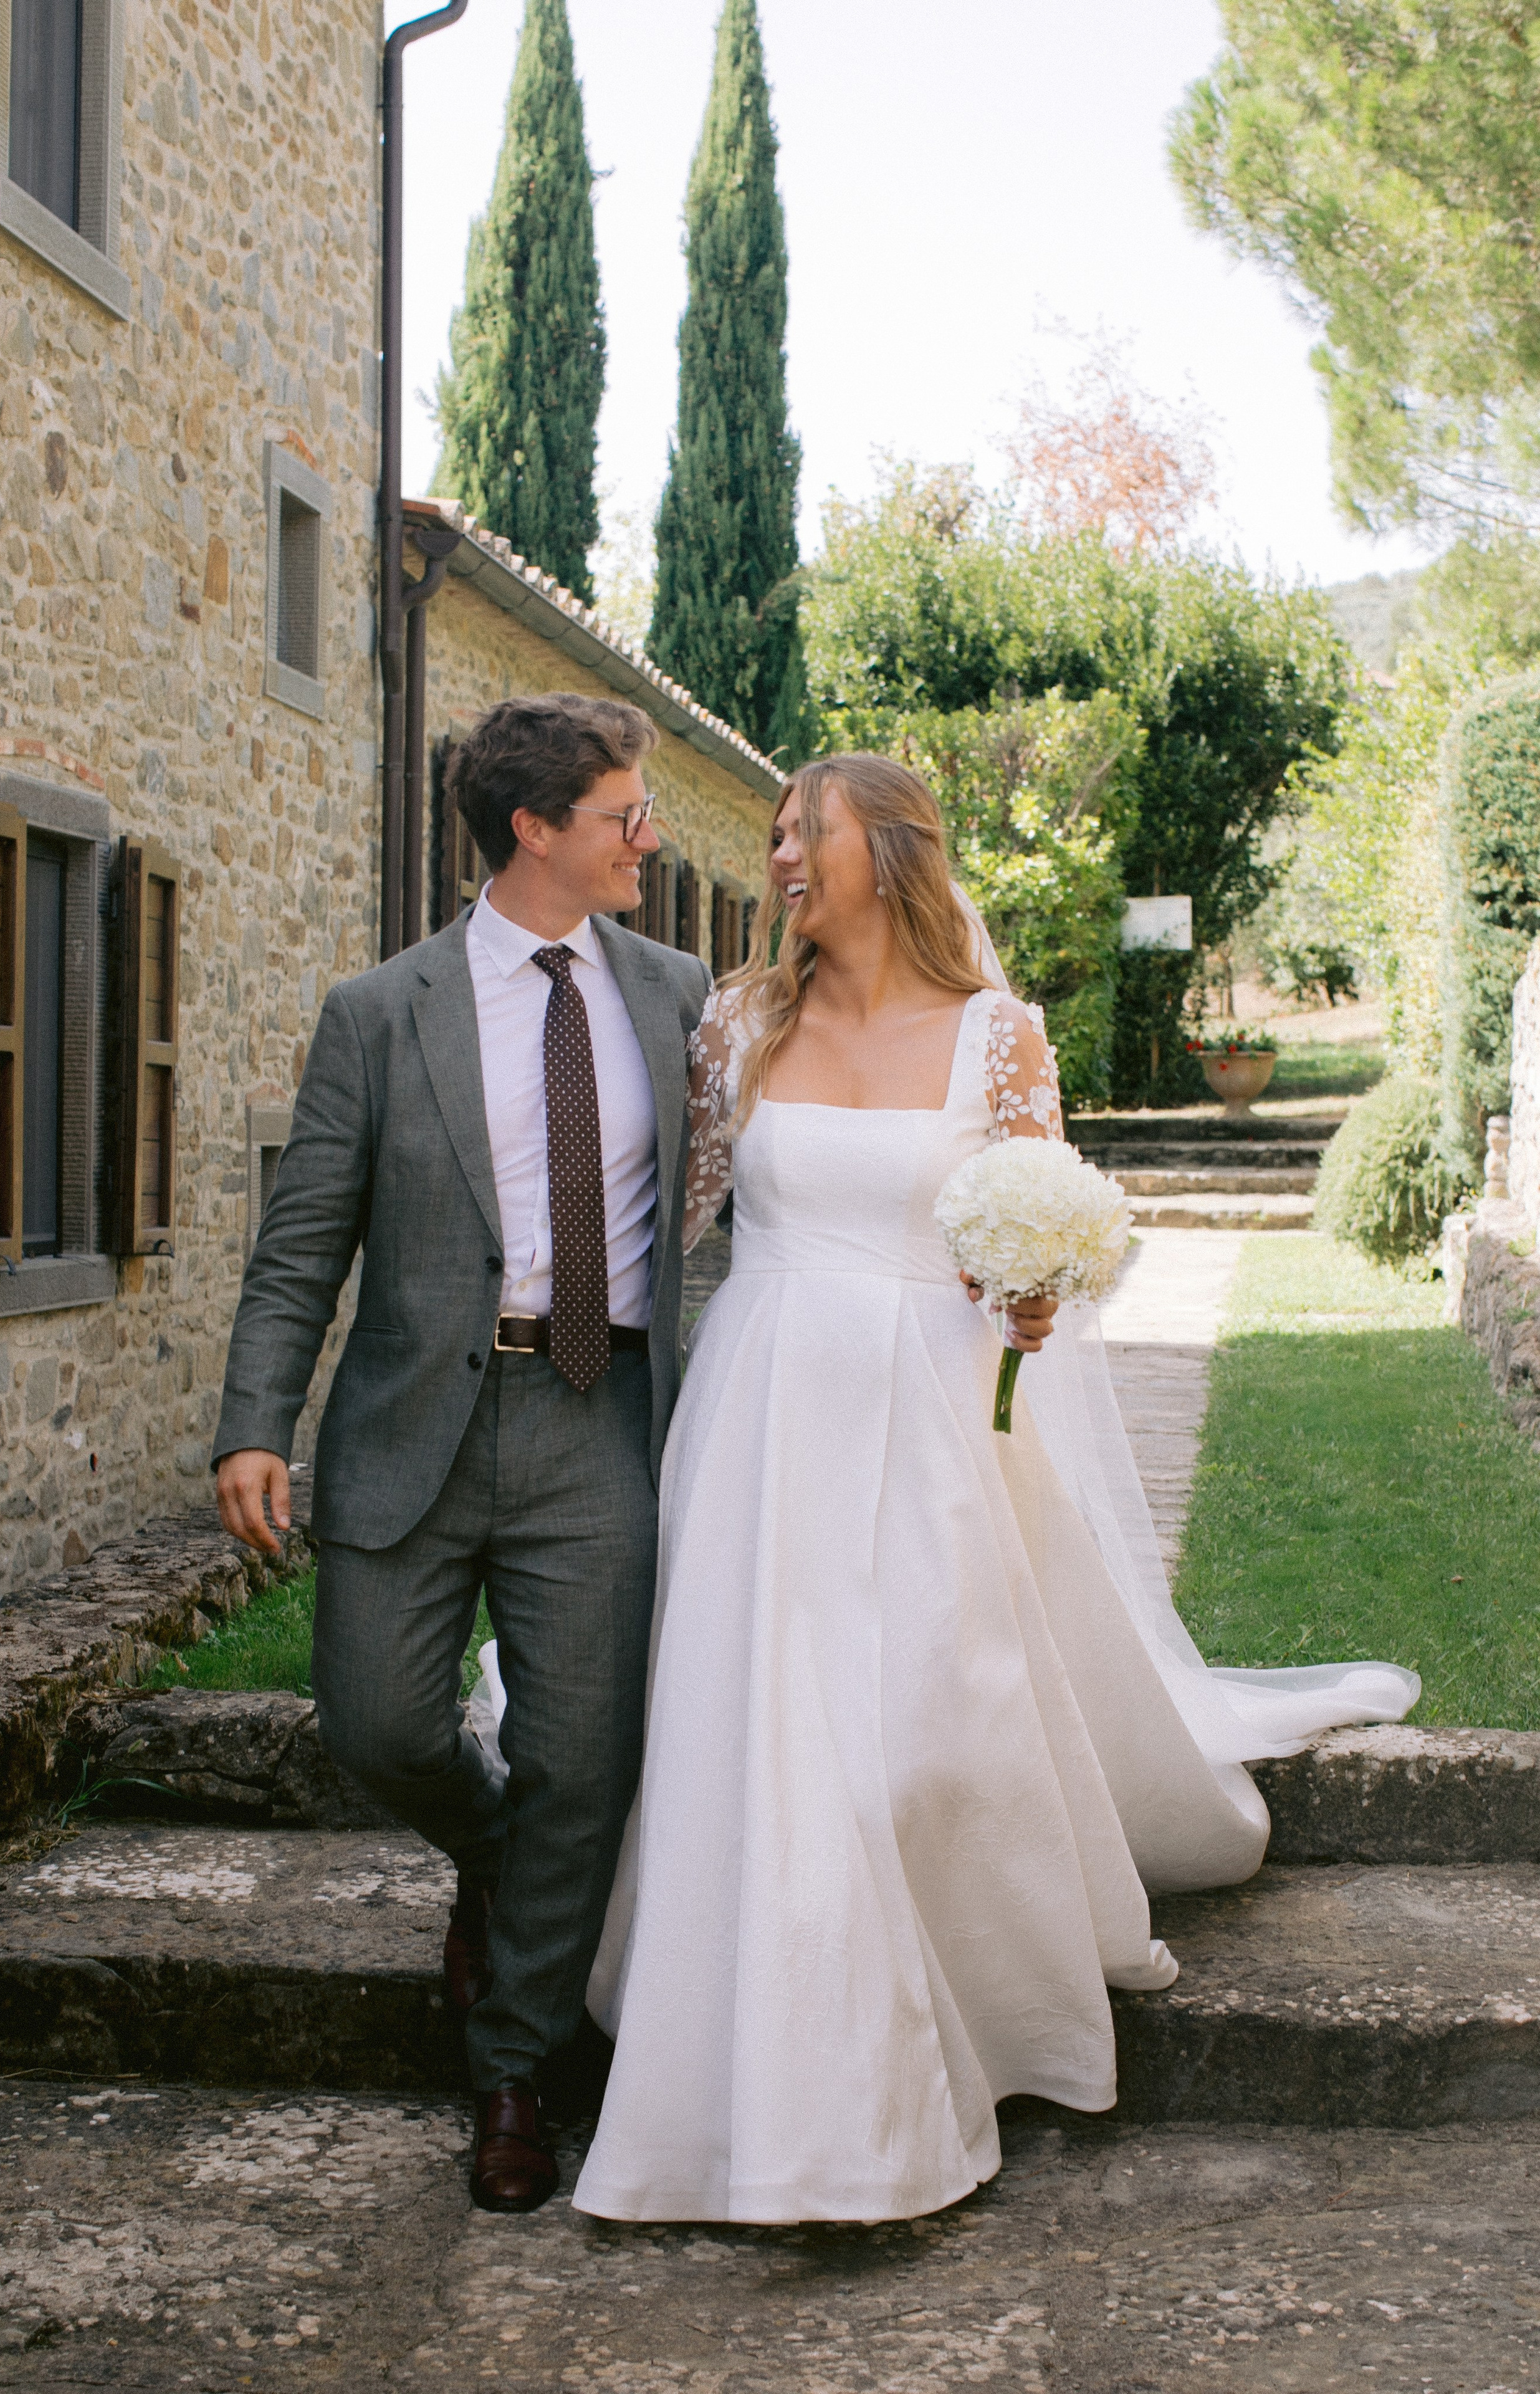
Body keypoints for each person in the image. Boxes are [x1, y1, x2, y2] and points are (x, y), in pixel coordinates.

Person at [570, 751, 1417, 2226]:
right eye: (771, 833)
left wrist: (1037, 1297)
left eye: (799, 832)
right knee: (765, 1738)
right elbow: (665, 1220)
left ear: (885, 851)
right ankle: (820, 2108)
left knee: (911, 1749)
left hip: (927, 1423)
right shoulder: (738, 1024)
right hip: (761, 1418)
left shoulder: (995, 1037)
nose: (775, 856)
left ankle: (968, 2007)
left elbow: (1045, 1234)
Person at [211, 692, 709, 2215]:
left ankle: (512, 2072)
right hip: (413, 1420)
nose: (649, 836)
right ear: (533, 829)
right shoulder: (381, 1010)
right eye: (624, 815)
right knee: (373, 1725)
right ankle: (495, 1867)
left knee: (585, 1757)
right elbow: (302, 1246)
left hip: (598, 1416)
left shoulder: (684, 995)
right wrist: (254, 1421)